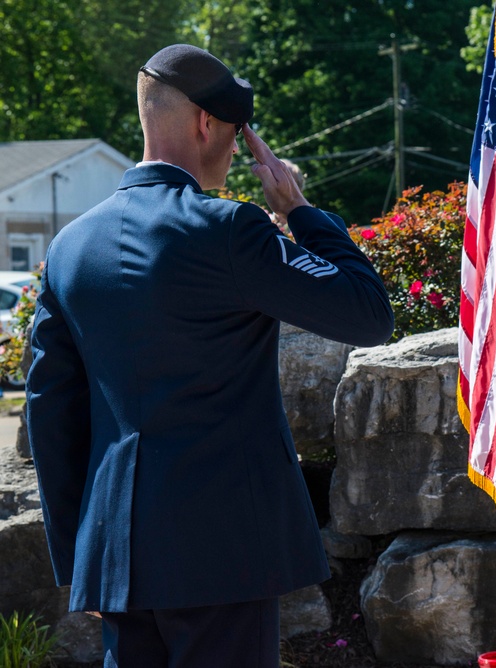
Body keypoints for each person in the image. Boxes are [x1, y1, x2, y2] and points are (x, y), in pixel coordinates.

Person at [25, 44, 394, 666]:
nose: (237, 148)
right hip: (223, 555)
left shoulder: (69, 247)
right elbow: (367, 313)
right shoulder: (228, 230)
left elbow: (49, 413)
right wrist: (298, 210)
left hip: (117, 559)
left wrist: (83, 557)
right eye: (236, 130)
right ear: (205, 124)